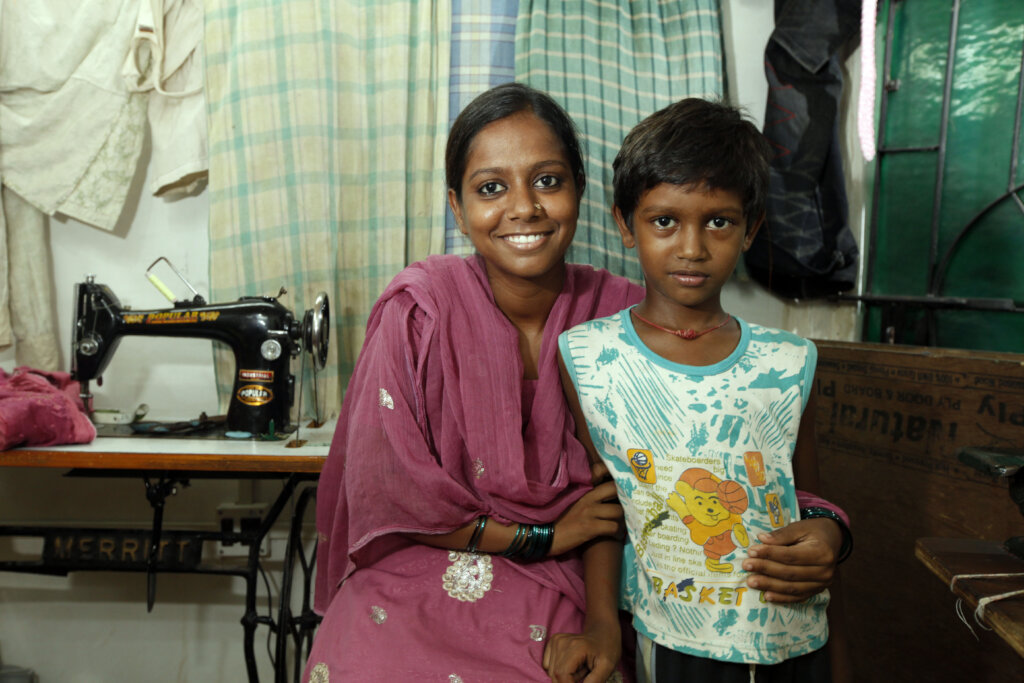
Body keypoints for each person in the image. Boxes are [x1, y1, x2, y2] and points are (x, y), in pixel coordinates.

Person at [306, 84, 843, 683]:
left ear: (581, 194)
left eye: (547, 181)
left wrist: (830, 529)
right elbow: (391, 488)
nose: (524, 208)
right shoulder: (421, 310)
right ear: (456, 207)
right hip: (423, 566)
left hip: (578, 578)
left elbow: (697, 476)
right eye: (491, 188)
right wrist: (540, 534)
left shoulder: (630, 319)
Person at [549, 98, 851, 683]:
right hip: (673, 642)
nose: (692, 247)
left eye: (718, 221)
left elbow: (809, 500)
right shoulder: (587, 359)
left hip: (796, 642)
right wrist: (602, 623)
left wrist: (833, 535)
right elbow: (603, 507)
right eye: (665, 220)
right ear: (625, 224)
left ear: (749, 228)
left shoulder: (789, 361)